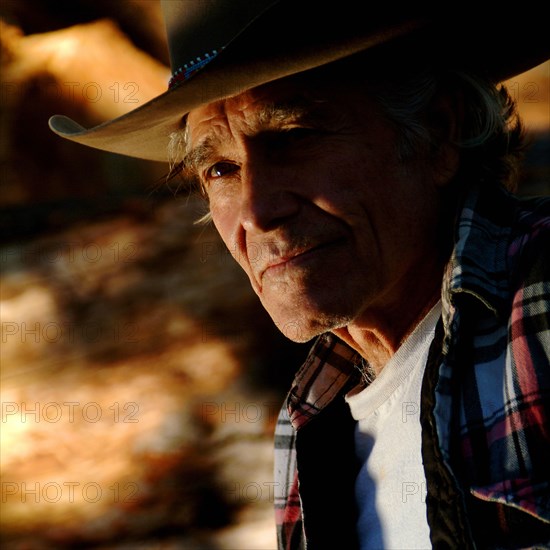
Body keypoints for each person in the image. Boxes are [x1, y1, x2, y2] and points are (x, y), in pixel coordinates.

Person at [49, 1, 550, 548]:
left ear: (437, 132)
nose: (257, 211)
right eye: (220, 169)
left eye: (294, 135)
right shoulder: (313, 418)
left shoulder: (539, 305)